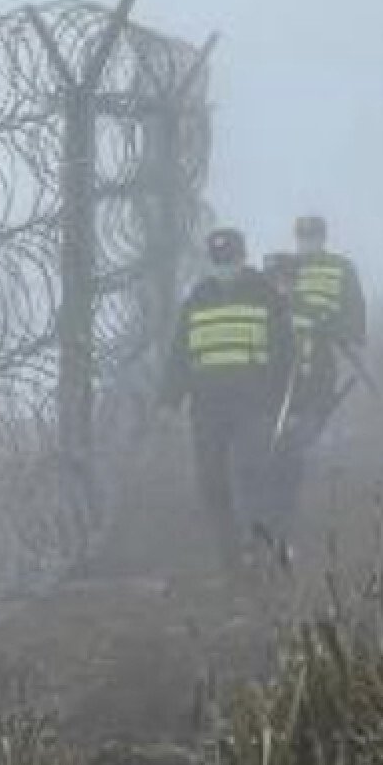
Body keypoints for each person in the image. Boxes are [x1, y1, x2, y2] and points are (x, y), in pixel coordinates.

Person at [159, 227, 297, 571]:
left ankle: (260, 543)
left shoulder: (265, 295)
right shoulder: (198, 299)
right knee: (211, 480)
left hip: (254, 403)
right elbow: (180, 355)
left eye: (230, 259)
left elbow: (285, 353)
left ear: (242, 258)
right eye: (218, 260)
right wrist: (168, 399)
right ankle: (230, 555)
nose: (225, 265)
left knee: (250, 471)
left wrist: (285, 402)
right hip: (207, 407)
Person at [265, 215, 368, 529]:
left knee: (304, 433)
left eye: (313, 237)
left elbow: (354, 311)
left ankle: (294, 503)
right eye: (303, 237)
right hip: (282, 370)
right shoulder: (282, 267)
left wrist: (342, 332)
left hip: (319, 363)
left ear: (323, 238)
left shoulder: (341, 268)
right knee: (278, 441)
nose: (308, 243)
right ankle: (277, 509)